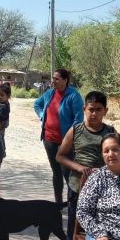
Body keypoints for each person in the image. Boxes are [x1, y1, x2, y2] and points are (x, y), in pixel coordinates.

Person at [55, 91, 114, 240]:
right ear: (84, 109)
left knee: (102, 230)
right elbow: (60, 156)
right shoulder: (76, 130)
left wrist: (105, 169)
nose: (94, 114)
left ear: (105, 110)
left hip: (105, 190)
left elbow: (119, 158)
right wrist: (80, 168)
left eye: (99, 110)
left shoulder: (110, 133)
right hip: (77, 187)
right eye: (91, 110)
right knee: (74, 230)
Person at [33, 68, 84, 204]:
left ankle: (74, 202)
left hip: (65, 142)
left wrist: (69, 137)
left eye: (56, 78)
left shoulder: (74, 96)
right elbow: (37, 104)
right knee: (56, 172)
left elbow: (79, 120)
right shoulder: (49, 93)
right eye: (53, 78)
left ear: (65, 80)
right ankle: (58, 203)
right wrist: (42, 115)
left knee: (67, 172)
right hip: (49, 139)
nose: (53, 81)